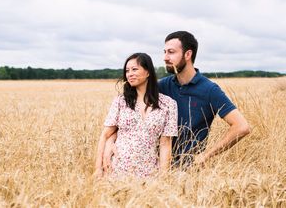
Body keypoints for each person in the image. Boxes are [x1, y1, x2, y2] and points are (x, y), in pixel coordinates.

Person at [103, 31, 250, 169]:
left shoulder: (209, 90)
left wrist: (206, 155)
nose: (165, 57)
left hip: (187, 170)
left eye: (171, 52)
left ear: (188, 54)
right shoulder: (162, 86)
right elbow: (126, 119)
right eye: (165, 52)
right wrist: (110, 142)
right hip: (153, 167)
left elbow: (241, 126)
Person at [94, 53, 178, 178]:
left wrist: (163, 176)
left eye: (134, 69)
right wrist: (98, 169)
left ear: (148, 72)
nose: (129, 74)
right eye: (127, 71)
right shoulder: (121, 101)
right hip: (116, 170)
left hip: (149, 173)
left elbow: (165, 144)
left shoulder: (168, 104)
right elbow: (105, 135)